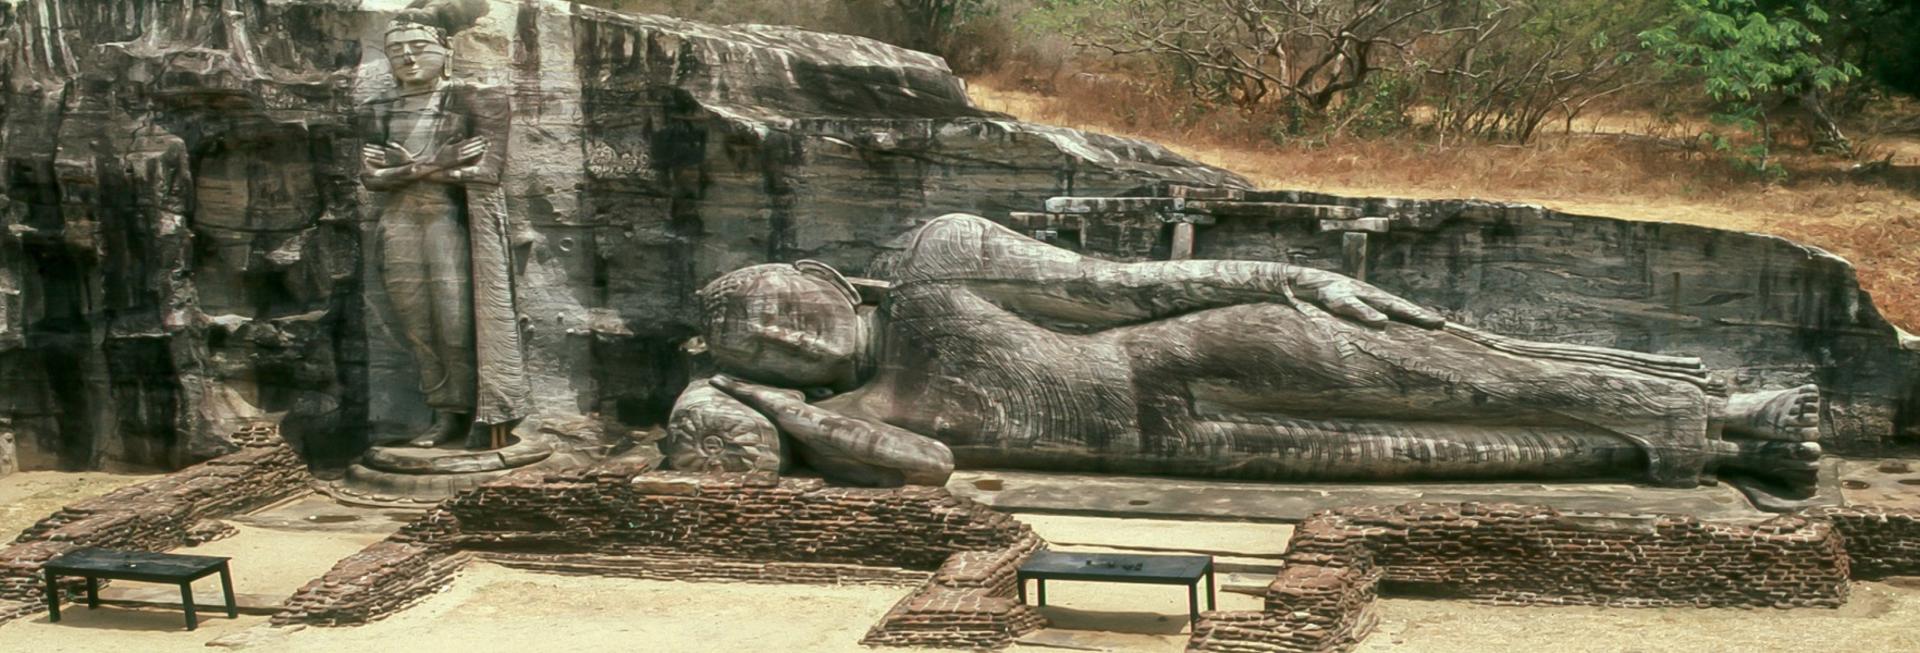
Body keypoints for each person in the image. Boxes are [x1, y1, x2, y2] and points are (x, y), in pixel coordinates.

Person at [672, 214, 1822, 496]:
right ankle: (1704, 443)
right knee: (1458, 448)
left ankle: (1738, 408)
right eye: (750, 342)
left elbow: (1122, 285)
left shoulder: (936, 259)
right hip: (1179, 437)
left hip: (1198, 351)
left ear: (819, 274)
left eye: (768, 302)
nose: (774, 331)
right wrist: (752, 400)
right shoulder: (864, 412)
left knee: (1478, 369)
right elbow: (926, 472)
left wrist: (1290, 275)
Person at [359, 6, 529, 450]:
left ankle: (482, 413)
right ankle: (444, 412)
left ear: (445, 50)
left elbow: (485, 173)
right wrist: (438, 162)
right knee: (417, 325)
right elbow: (371, 180)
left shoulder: (479, 98)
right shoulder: (380, 110)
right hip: (399, 223)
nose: (408, 58)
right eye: (396, 51)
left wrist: (408, 168)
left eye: (418, 48)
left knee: (457, 322)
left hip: (452, 223)